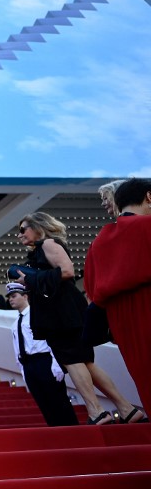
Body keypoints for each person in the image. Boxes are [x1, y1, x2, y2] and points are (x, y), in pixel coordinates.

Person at [13, 212, 141, 425]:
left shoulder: (49, 244)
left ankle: (96, 411)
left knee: (71, 360)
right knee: (86, 362)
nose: (19, 235)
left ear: (38, 227)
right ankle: (126, 409)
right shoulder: (41, 250)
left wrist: (32, 278)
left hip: (61, 312)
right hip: (61, 311)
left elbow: (68, 271)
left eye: (23, 229)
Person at [84, 178, 151, 421]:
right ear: (149, 197)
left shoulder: (98, 242)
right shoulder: (148, 228)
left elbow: (92, 289)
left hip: (124, 322)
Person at [6, 282, 78, 427]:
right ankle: (56, 433)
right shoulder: (15, 324)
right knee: (43, 402)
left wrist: (56, 364)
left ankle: (72, 431)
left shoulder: (38, 315)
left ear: (25, 296)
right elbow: (17, 349)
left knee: (58, 399)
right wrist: (23, 370)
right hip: (29, 364)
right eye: (9, 297)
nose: (11, 300)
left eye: (14, 296)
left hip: (44, 361)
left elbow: (51, 341)